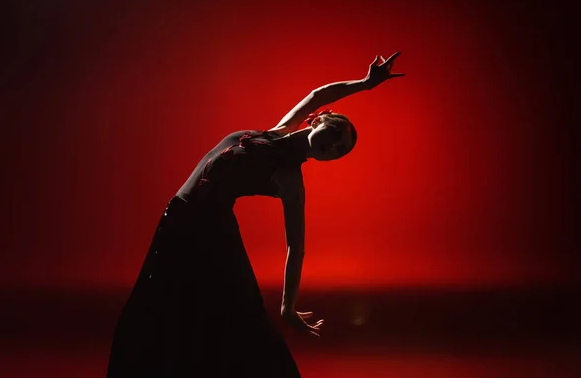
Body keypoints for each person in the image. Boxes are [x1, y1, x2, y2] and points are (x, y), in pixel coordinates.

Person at [106, 52, 404, 377]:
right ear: (317, 120)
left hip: (209, 231)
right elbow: (319, 94)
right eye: (335, 138)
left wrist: (288, 306)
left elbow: (296, 246)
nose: (332, 149)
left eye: (339, 152)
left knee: (237, 316)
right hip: (177, 219)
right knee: (164, 305)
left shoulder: (289, 177)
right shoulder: (277, 130)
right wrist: (365, 84)